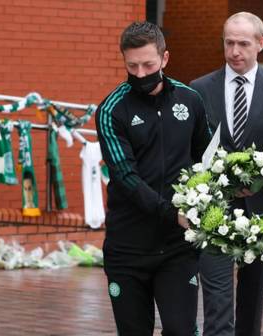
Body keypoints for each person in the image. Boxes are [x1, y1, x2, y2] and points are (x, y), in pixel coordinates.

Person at [190, 11, 263, 336]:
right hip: (214, 210)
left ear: (260, 43)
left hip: (261, 211)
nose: (235, 51)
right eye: (229, 43)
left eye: (243, 43)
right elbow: (191, 151)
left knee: (253, 299)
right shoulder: (200, 88)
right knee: (216, 298)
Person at [95, 21, 210, 335]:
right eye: (132, 66)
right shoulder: (111, 110)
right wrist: (172, 214)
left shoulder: (191, 100)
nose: (141, 73)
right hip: (127, 249)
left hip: (177, 249)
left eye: (148, 64)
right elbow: (125, 177)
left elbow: (208, 161)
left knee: (181, 329)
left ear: (165, 58)